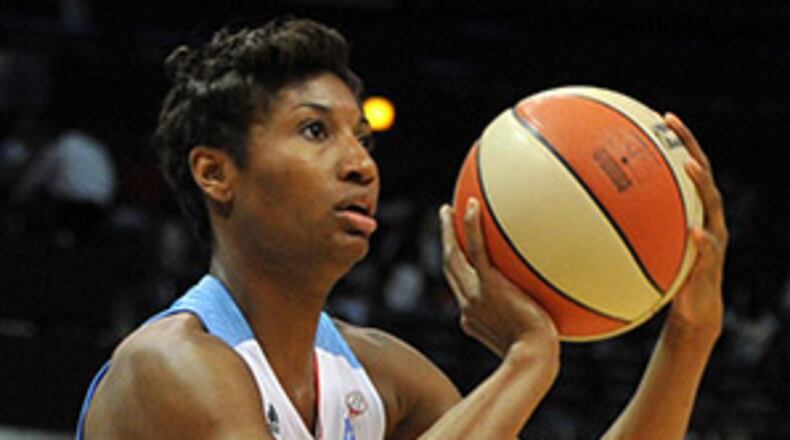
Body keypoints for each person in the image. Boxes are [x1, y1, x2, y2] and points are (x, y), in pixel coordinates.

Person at [76, 17, 728, 439]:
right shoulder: (167, 366)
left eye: (363, 139)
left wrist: (690, 337)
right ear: (216, 173)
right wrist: (529, 360)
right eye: (315, 131)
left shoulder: (385, 374)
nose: (360, 163)